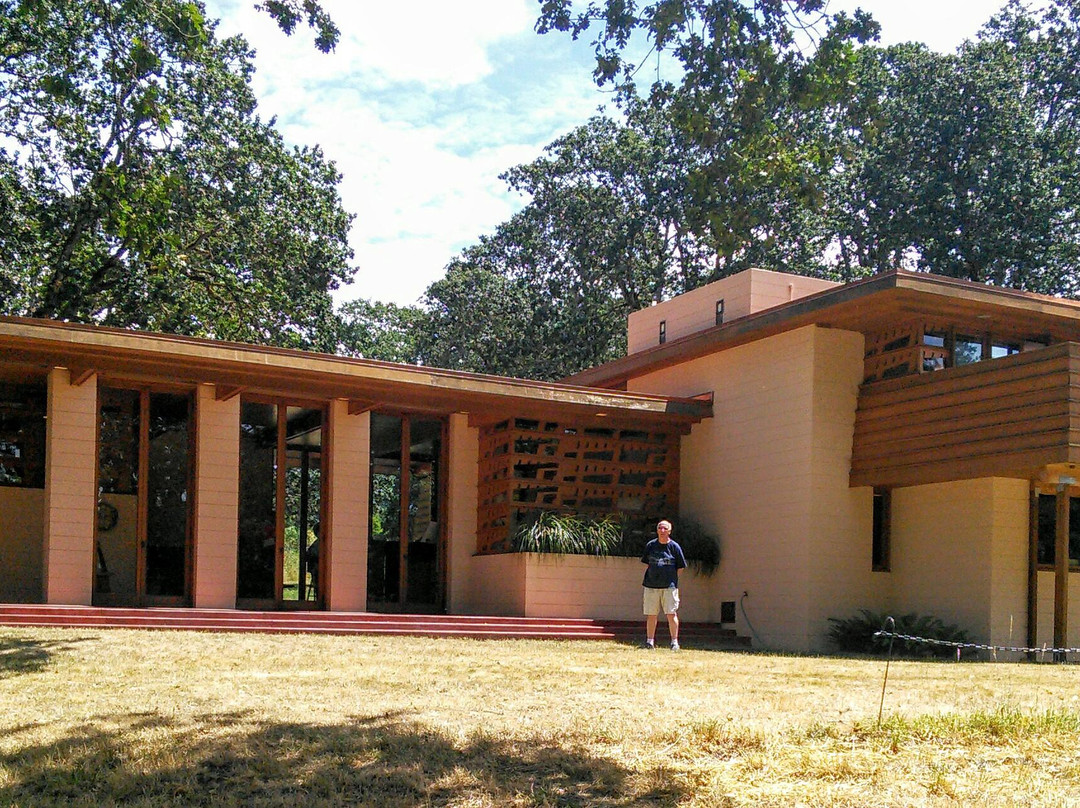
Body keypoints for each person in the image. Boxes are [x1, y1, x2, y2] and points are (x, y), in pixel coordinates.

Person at [640, 519, 686, 650]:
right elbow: (646, 564)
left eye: (665, 528)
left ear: (670, 531)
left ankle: (674, 642)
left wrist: (671, 579)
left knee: (671, 614)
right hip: (651, 586)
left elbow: (680, 567)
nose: (662, 530)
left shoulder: (675, 547)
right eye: (660, 528)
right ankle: (649, 642)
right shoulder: (650, 545)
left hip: (669, 587)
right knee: (651, 614)